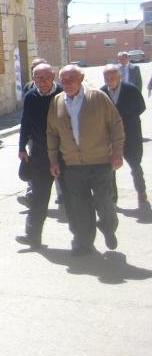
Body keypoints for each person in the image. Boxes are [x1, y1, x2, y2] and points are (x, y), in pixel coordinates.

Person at [47, 65, 125, 256]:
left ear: (81, 78)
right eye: (63, 80)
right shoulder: (57, 101)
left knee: (103, 202)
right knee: (80, 207)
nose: (67, 83)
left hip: (100, 162)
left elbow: (116, 124)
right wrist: (53, 160)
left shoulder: (97, 97)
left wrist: (117, 152)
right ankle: (84, 243)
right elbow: (52, 133)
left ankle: (108, 227)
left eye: (71, 79)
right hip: (73, 165)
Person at [15, 64, 63, 247]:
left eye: (44, 78)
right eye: (36, 78)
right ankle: (32, 236)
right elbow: (25, 122)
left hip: (63, 153)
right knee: (38, 197)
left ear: (53, 76)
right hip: (40, 153)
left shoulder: (62, 93)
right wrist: (21, 147)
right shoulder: (31, 96)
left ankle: (83, 240)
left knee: (74, 198)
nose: (40, 82)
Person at [101, 64, 148, 210]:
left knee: (135, 165)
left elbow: (141, 107)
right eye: (107, 78)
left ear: (119, 76)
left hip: (131, 134)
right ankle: (112, 198)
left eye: (112, 77)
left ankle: (141, 192)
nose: (110, 80)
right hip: (111, 137)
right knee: (110, 168)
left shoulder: (131, 90)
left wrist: (124, 119)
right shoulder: (101, 92)